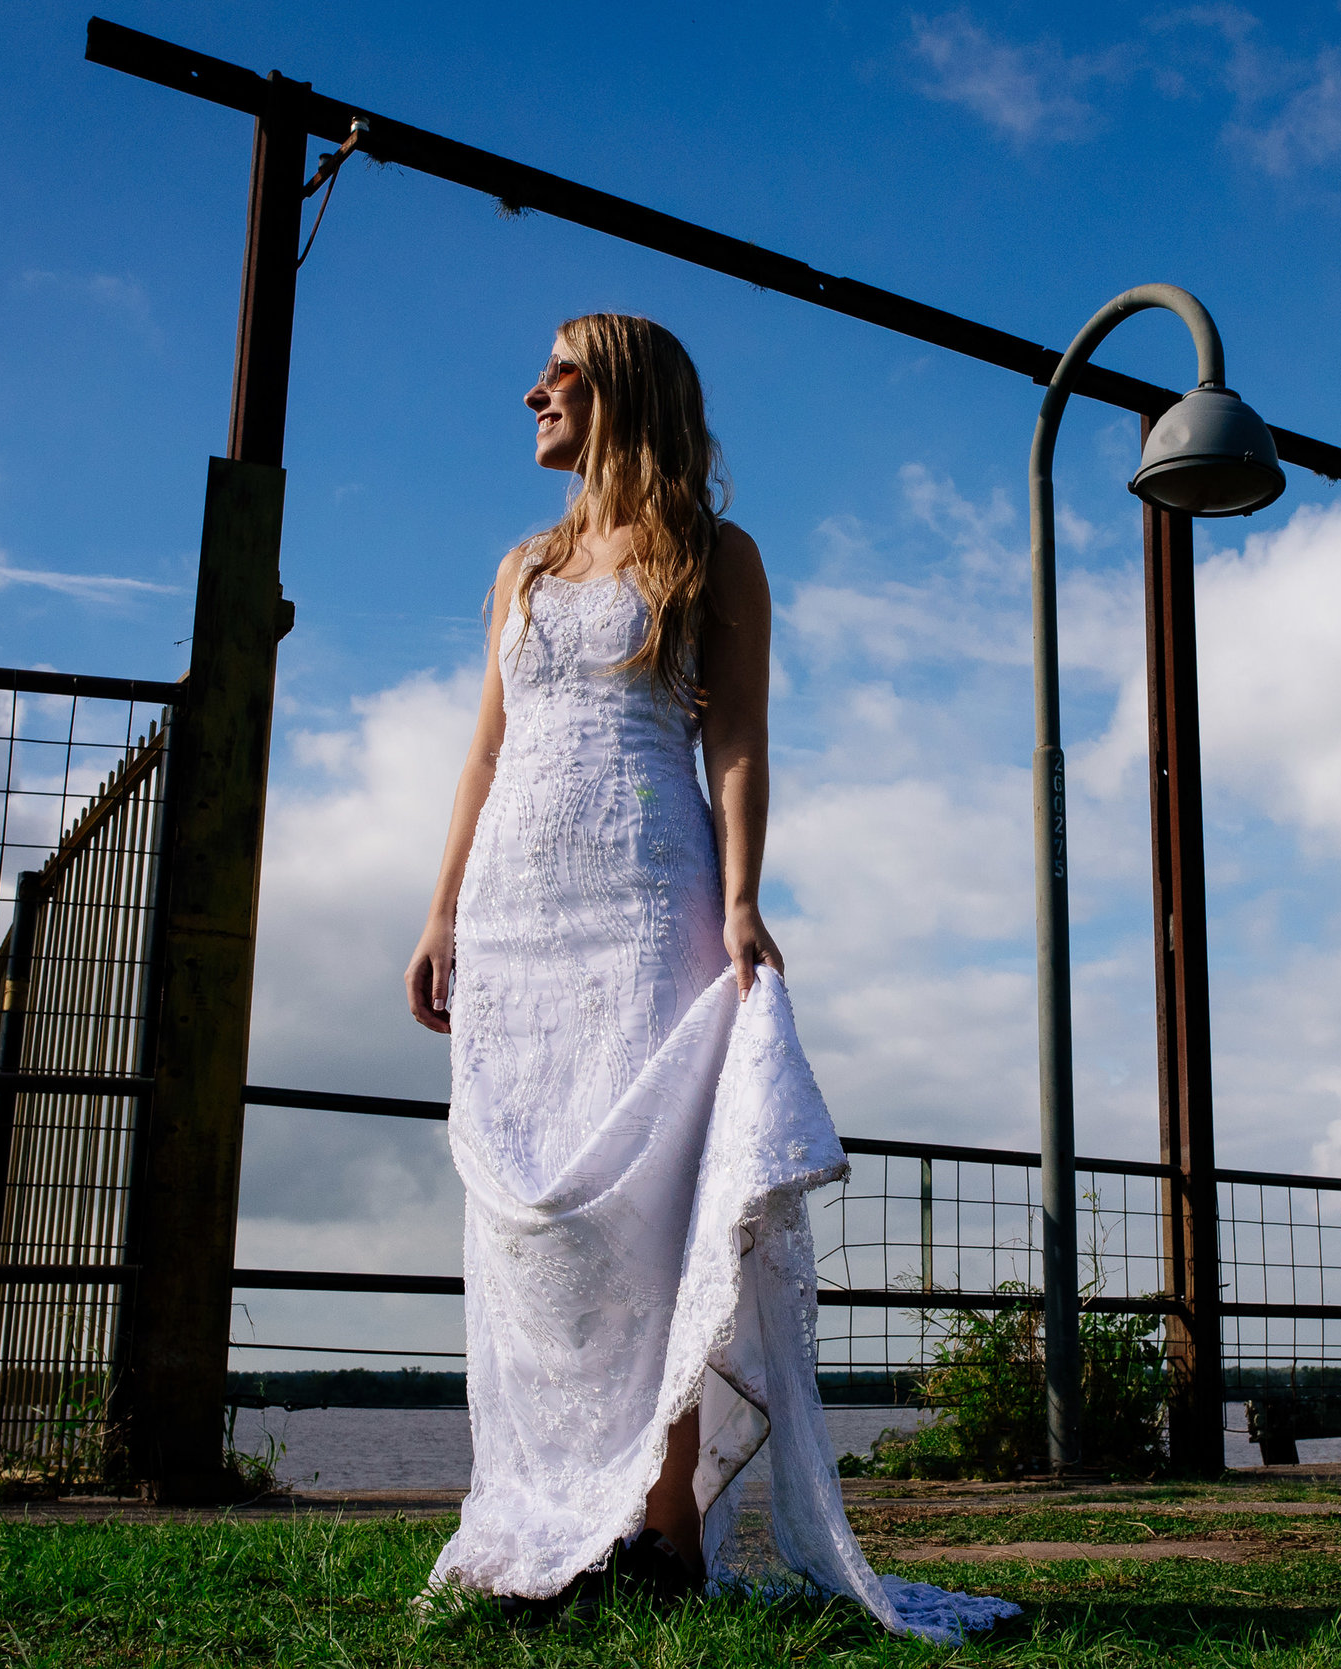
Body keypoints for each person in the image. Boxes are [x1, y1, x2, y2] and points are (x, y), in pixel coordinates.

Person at [402, 314, 1015, 1638]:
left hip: (644, 891)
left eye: (557, 371)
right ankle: (546, 1515)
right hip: (519, 914)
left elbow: (737, 734)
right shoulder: (520, 564)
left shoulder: (713, 553)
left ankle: (663, 1528)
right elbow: (482, 751)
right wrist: (445, 910)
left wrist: (740, 896)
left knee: (660, 1209)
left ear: (621, 386)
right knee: (537, 1222)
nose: (533, 391)